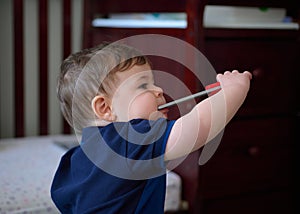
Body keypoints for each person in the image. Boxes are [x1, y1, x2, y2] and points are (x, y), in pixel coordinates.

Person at [51, 42, 252, 213]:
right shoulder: (129, 139)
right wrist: (235, 90)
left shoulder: (72, 159)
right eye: (142, 86)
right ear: (104, 107)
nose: (159, 90)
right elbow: (197, 127)